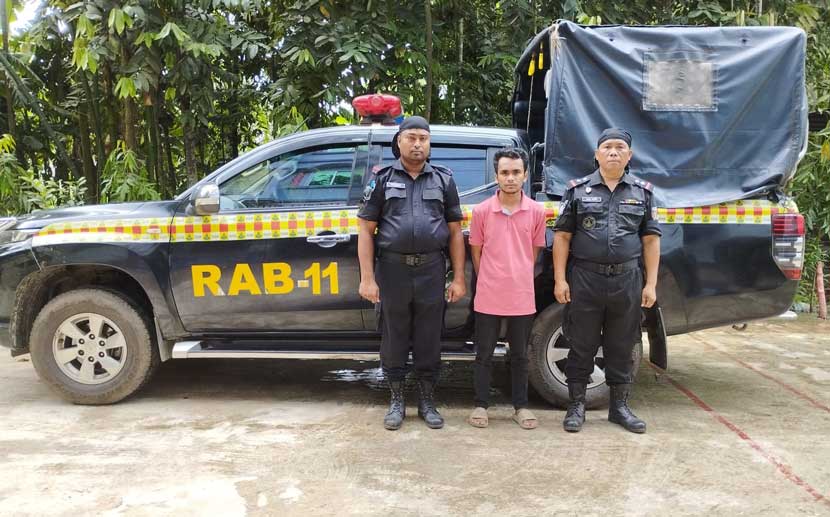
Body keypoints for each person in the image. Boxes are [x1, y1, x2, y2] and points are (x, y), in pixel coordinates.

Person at [357, 116, 467, 431]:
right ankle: (396, 400)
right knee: (394, 335)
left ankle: (427, 401)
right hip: (392, 270)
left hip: (432, 269)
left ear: (429, 143)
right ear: (400, 142)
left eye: (423, 138)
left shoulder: (444, 180)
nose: (418, 143)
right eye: (411, 138)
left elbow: (455, 231)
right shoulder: (381, 178)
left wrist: (458, 277)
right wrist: (367, 277)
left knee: (429, 336)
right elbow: (366, 230)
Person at [552, 128, 661, 434]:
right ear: (597, 154)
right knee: (580, 344)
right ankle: (576, 406)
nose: (613, 152)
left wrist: (650, 284)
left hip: (627, 279)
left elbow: (651, 241)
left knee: (622, 345)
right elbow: (561, 237)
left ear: (629, 155)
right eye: (607, 147)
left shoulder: (643, 192)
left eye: (620, 147)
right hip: (585, 278)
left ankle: (619, 407)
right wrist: (560, 280)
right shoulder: (577, 190)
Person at [467, 148, 546, 430]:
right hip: (488, 294)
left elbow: (535, 251)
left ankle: (521, 407)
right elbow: (476, 251)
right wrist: (491, 277)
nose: (510, 178)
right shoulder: (482, 211)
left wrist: (517, 274)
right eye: (504, 173)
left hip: (522, 296)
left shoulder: (537, 211)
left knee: (521, 355)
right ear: (496, 176)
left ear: (525, 175)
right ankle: (481, 404)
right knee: (484, 354)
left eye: (516, 172)